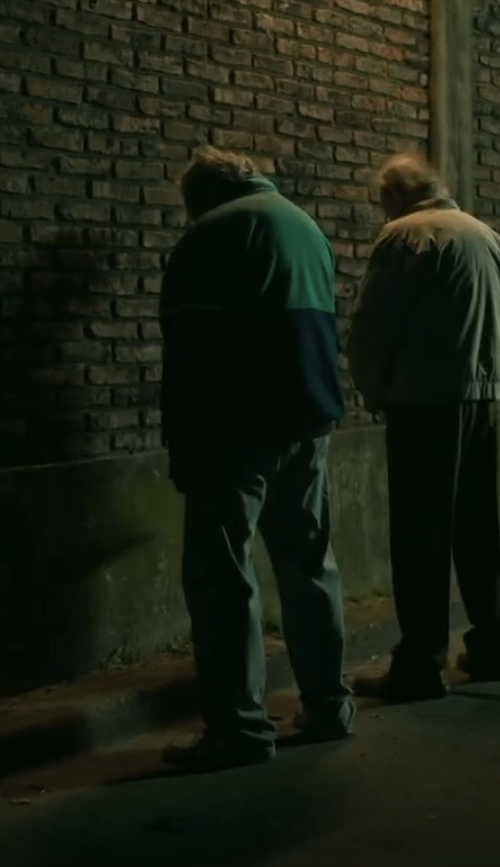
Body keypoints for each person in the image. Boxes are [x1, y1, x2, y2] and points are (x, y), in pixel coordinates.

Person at [159, 146, 354, 770]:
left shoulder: (212, 233)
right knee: (309, 563)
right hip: (309, 418)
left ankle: (240, 729)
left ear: (202, 196)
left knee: (222, 575)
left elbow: (190, 348)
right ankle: (328, 706)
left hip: (234, 426)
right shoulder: (304, 225)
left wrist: (182, 440)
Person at [347, 152, 500, 701]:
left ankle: (420, 663)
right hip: (481, 396)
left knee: (420, 533)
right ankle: (488, 647)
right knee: (476, 526)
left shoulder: (406, 236)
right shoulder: (487, 236)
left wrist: (372, 385)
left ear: (395, 196)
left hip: (422, 401)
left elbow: (375, 322)